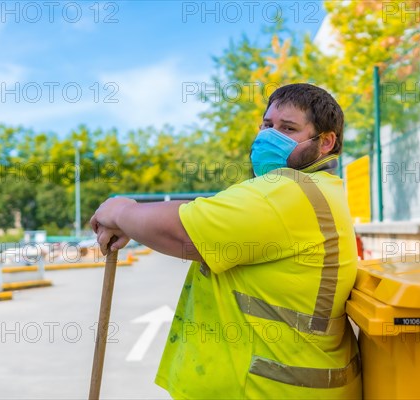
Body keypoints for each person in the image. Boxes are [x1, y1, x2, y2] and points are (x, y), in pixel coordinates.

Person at [90, 83, 362, 399]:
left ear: (326, 142)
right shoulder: (318, 191)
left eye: (288, 128)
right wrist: (135, 224)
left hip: (267, 389)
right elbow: (206, 216)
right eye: (267, 125)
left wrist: (121, 211)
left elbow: (183, 232)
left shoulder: (290, 191)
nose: (269, 136)